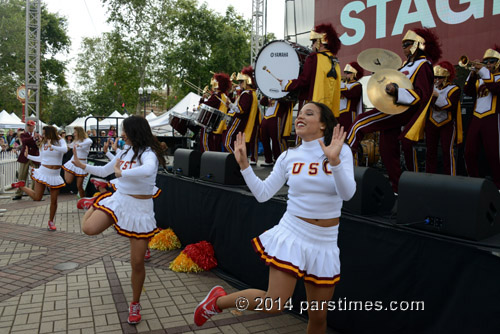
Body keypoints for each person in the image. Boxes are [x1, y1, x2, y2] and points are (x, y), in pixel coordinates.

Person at [194, 102, 356, 333]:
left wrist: (335, 161)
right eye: (298, 114)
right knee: (274, 304)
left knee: (319, 318)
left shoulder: (341, 151)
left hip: (325, 242)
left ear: (323, 124)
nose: (299, 118)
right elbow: (262, 194)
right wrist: (244, 166)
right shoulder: (289, 156)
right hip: (294, 233)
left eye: (308, 114)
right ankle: (217, 302)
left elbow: (347, 194)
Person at [71, 115, 166, 324]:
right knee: (89, 228)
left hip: (140, 210)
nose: (122, 135)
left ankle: (135, 303)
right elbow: (106, 170)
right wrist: (82, 165)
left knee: (137, 263)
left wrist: (122, 172)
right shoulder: (123, 150)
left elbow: (149, 170)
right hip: (119, 200)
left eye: (125, 131)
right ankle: (95, 202)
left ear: (135, 132)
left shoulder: (149, 153)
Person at [346, 28, 441, 192]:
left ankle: (337, 167)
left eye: (407, 44)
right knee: (387, 151)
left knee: (359, 124)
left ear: (418, 45)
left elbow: (421, 95)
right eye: (403, 44)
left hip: (401, 110)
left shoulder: (423, 65)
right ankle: (398, 190)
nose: (404, 48)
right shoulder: (406, 65)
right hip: (392, 109)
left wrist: (396, 91)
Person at [11, 126, 67, 230]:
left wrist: (52, 146)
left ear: (50, 133)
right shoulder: (43, 143)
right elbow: (41, 158)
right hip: (43, 171)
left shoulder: (60, 140)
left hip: (55, 174)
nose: (43, 135)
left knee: (54, 201)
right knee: (37, 198)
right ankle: (22, 186)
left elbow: (65, 150)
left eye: (45, 133)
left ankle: (51, 221)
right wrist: (28, 156)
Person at [281, 23, 341, 116]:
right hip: (330, 112)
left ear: (319, 42)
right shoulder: (335, 61)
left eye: (313, 42)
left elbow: (305, 80)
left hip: (311, 107)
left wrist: (288, 84)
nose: (312, 45)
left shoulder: (314, 58)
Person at [463, 46, 500, 188]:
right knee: (469, 152)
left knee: (494, 153)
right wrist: (472, 74)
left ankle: (498, 185)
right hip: (477, 117)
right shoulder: (482, 77)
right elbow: (468, 91)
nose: (488, 64)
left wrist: (483, 71)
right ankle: (474, 182)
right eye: (486, 61)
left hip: (493, 117)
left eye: (491, 61)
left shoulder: (492, 77)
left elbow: (495, 89)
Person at [425, 61, 463, 175]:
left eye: (440, 77)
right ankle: (429, 176)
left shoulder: (454, 89)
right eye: (435, 77)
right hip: (432, 121)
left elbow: (449, 106)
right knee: (430, 151)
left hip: (447, 122)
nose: (437, 80)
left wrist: (436, 96)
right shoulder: (431, 88)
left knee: (448, 151)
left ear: (446, 77)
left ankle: (450, 177)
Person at [224, 66, 261, 164]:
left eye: (241, 82)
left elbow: (241, 110)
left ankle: (236, 161)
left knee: (228, 142)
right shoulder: (249, 93)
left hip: (238, 121)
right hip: (241, 122)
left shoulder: (246, 94)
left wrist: (230, 105)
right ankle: (238, 161)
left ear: (246, 82)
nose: (239, 83)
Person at [200, 73, 233, 152]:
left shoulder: (216, 96)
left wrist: (201, 101)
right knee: (216, 147)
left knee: (206, 144)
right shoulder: (224, 95)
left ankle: (207, 160)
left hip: (211, 123)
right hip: (221, 125)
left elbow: (205, 106)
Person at [259, 96, 294, 166]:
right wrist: (268, 94)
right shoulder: (270, 94)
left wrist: (277, 95)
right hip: (267, 117)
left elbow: (288, 101)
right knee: (264, 139)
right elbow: (262, 102)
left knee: (277, 139)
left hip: (277, 116)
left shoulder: (284, 95)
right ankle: (268, 160)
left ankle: (282, 160)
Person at [62, 126, 93, 198]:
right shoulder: (76, 141)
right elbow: (69, 146)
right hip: (73, 162)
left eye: (75, 132)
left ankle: (83, 201)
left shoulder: (87, 140)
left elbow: (90, 141)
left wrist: (79, 145)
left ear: (79, 132)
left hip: (82, 163)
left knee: (79, 186)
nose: (74, 134)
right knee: (68, 181)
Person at [13, 120, 40, 200]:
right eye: (28, 126)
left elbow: (38, 144)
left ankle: (34, 192)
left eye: (31, 126)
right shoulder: (23, 134)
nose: (29, 127)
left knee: (35, 176)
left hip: (34, 156)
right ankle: (19, 193)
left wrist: (34, 139)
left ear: (34, 127)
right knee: (21, 175)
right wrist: (33, 138)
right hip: (25, 157)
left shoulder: (37, 135)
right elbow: (24, 142)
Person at [339, 62, 365, 130]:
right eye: (346, 73)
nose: (345, 75)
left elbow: (351, 94)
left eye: (348, 73)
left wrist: (340, 86)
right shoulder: (343, 85)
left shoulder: (357, 85)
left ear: (354, 74)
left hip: (349, 114)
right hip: (338, 113)